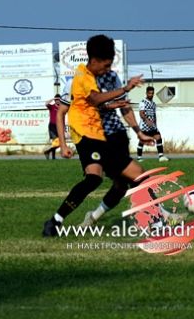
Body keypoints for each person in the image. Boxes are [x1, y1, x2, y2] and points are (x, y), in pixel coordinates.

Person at [42, 35, 147, 237]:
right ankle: (157, 218)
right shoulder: (76, 79)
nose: (108, 69)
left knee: (117, 184)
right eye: (106, 65)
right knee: (137, 176)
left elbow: (120, 106)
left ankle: (78, 219)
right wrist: (63, 143)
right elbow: (74, 107)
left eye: (110, 65)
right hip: (95, 138)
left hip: (113, 135)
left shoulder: (110, 77)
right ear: (95, 60)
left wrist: (138, 131)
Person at [137, 86, 169, 162]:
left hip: (152, 126)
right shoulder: (143, 102)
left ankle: (161, 156)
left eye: (152, 93)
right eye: (149, 93)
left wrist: (155, 125)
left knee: (158, 137)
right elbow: (141, 114)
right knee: (142, 141)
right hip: (144, 126)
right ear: (146, 93)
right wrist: (147, 121)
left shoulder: (154, 104)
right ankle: (139, 157)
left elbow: (154, 115)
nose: (151, 95)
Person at [43, 94, 62, 160]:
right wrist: (53, 99)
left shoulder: (62, 107)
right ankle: (53, 157)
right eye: (56, 100)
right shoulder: (52, 107)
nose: (57, 101)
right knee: (55, 141)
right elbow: (46, 103)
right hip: (52, 126)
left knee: (59, 143)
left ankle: (48, 152)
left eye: (58, 100)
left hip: (59, 126)